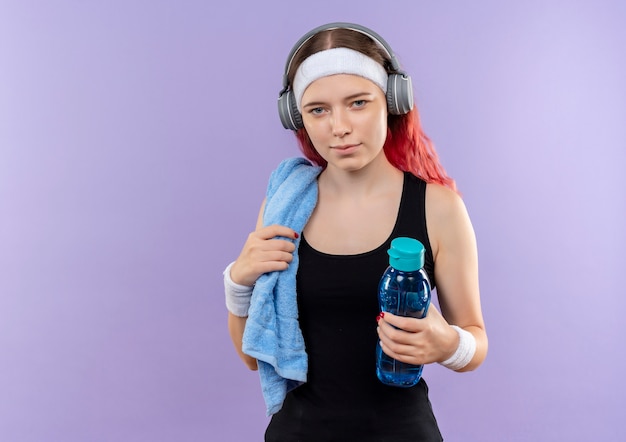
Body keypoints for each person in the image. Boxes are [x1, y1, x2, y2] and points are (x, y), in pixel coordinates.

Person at [223, 22, 487, 441]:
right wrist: (237, 282)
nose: (339, 126)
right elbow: (251, 357)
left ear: (393, 102)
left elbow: (475, 342)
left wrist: (448, 344)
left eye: (358, 103)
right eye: (318, 110)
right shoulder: (282, 208)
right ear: (299, 118)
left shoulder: (439, 208)